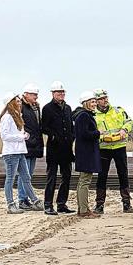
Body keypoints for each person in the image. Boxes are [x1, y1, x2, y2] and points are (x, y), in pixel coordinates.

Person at [0, 92, 43, 214]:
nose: (20, 103)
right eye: (17, 101)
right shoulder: (7, 118)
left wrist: (23, 137)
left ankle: (34, 200)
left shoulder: (17, 116)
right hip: (11, 153)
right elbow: (5, 136)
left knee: (26, 177)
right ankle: (11, 204)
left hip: (20, 151)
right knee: (10, 178)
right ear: (11, 103)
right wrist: (21, 137)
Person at [93, 89, 133, 214]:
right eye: (101, 98)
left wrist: (124, 130)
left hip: (119, 147)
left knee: (123, 174)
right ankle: (99, 205)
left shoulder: (118, 110)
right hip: (103, 149)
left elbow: (130, 121)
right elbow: (91, 132)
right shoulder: (93, 115)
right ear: (96, 101)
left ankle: (126, 203)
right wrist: (101, 137)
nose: (104, 100)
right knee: (102, 176)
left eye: (105, 97)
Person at [41, 81, 75, 216]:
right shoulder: (47, 108)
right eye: (58, 92)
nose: (61, 94)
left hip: (67, 149)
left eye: (63, 92)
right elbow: (44, 127)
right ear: (53, 93)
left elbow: (71, 126)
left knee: (67, 177)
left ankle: (61, 204)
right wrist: (54, 136)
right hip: (54, 149)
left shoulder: (68, 108)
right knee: (52, 177)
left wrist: (72, 136)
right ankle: (48, 205)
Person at [72, 91, 103, 218]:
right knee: (85, 181)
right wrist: (98, 133)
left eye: (95, 101)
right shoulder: (84, 116)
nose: (94, 104)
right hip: (86, 152)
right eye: (92, 101)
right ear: (86, 103)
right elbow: (83, 134)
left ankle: (83, 208)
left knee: (83, 180)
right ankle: (84, 210)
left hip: (84, 152)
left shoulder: (83, 115)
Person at [18, 83, 43, 210]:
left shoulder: (36, 107)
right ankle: (22, 199)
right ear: (26, 95)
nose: (36, 97)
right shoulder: (21, 106)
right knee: (24, 174)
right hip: (26, 144)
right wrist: (24, 135)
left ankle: (26, 198)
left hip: (35, 144)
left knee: (30, 173)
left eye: (36, 95)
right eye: (33, 94)